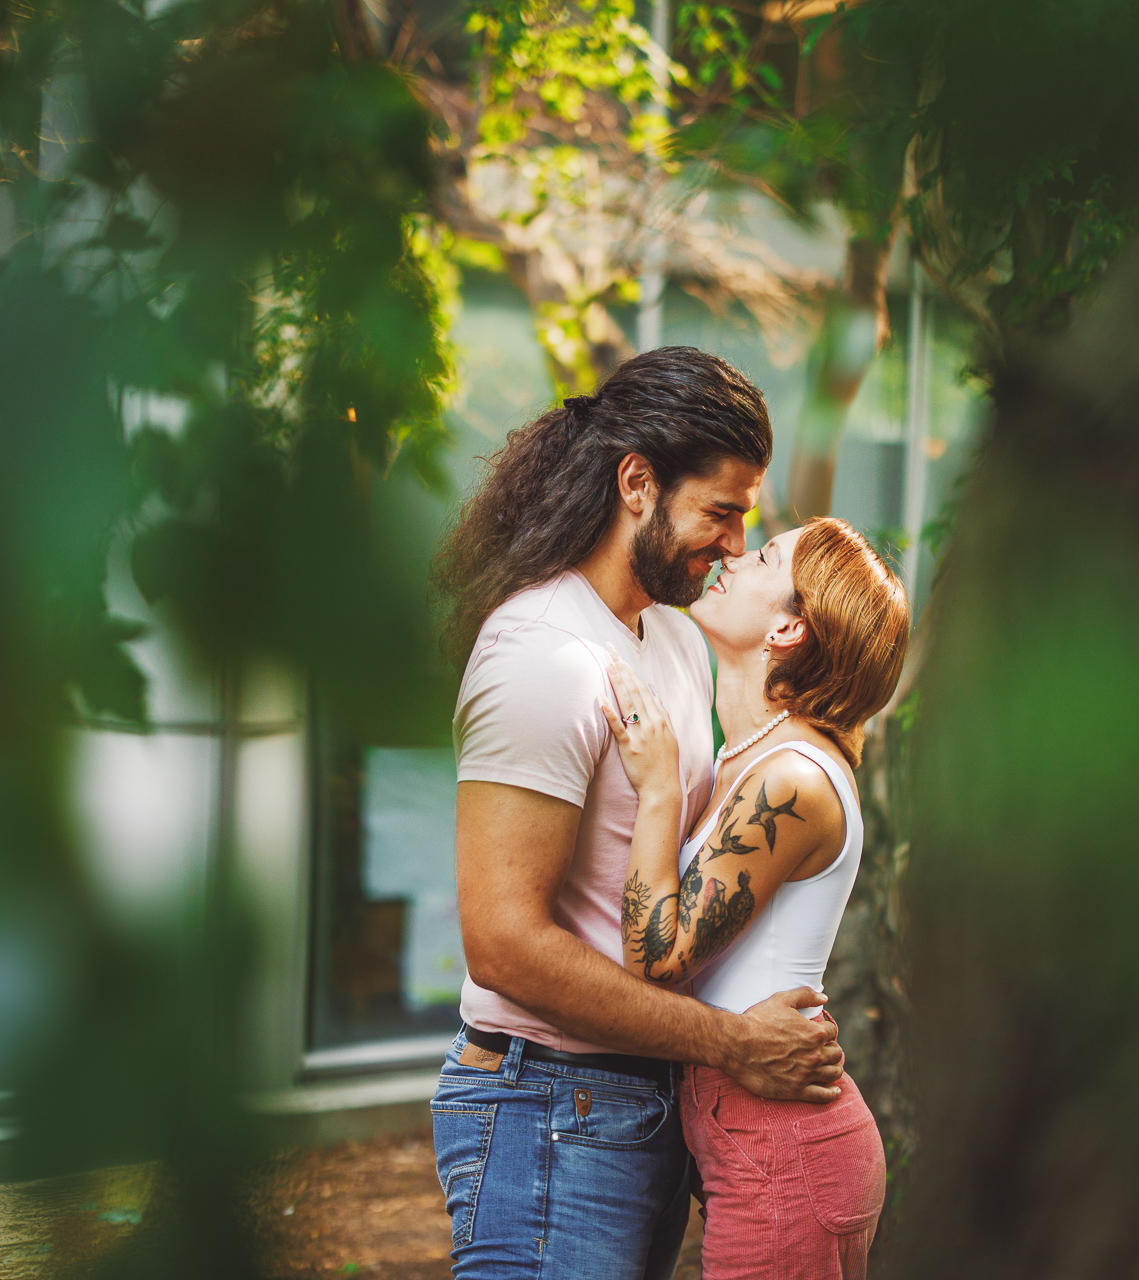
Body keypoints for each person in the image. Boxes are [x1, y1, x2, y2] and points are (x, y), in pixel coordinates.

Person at [429, 347, 846, 1280]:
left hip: (641, 1106)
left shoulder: (673, 642)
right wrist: (738, 1045)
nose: (736, 544)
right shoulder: (542, 654)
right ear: (636, 483)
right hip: (547, 1109)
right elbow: (503, 941)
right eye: (722, 513)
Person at [600, 516, 911, 1279]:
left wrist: (659, 791)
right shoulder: (756, 759)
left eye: (766, 554)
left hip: (785, 1148)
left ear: (789, 628)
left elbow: (658, 955)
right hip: (756, 1134)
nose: (736, 554)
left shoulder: (792, 780)